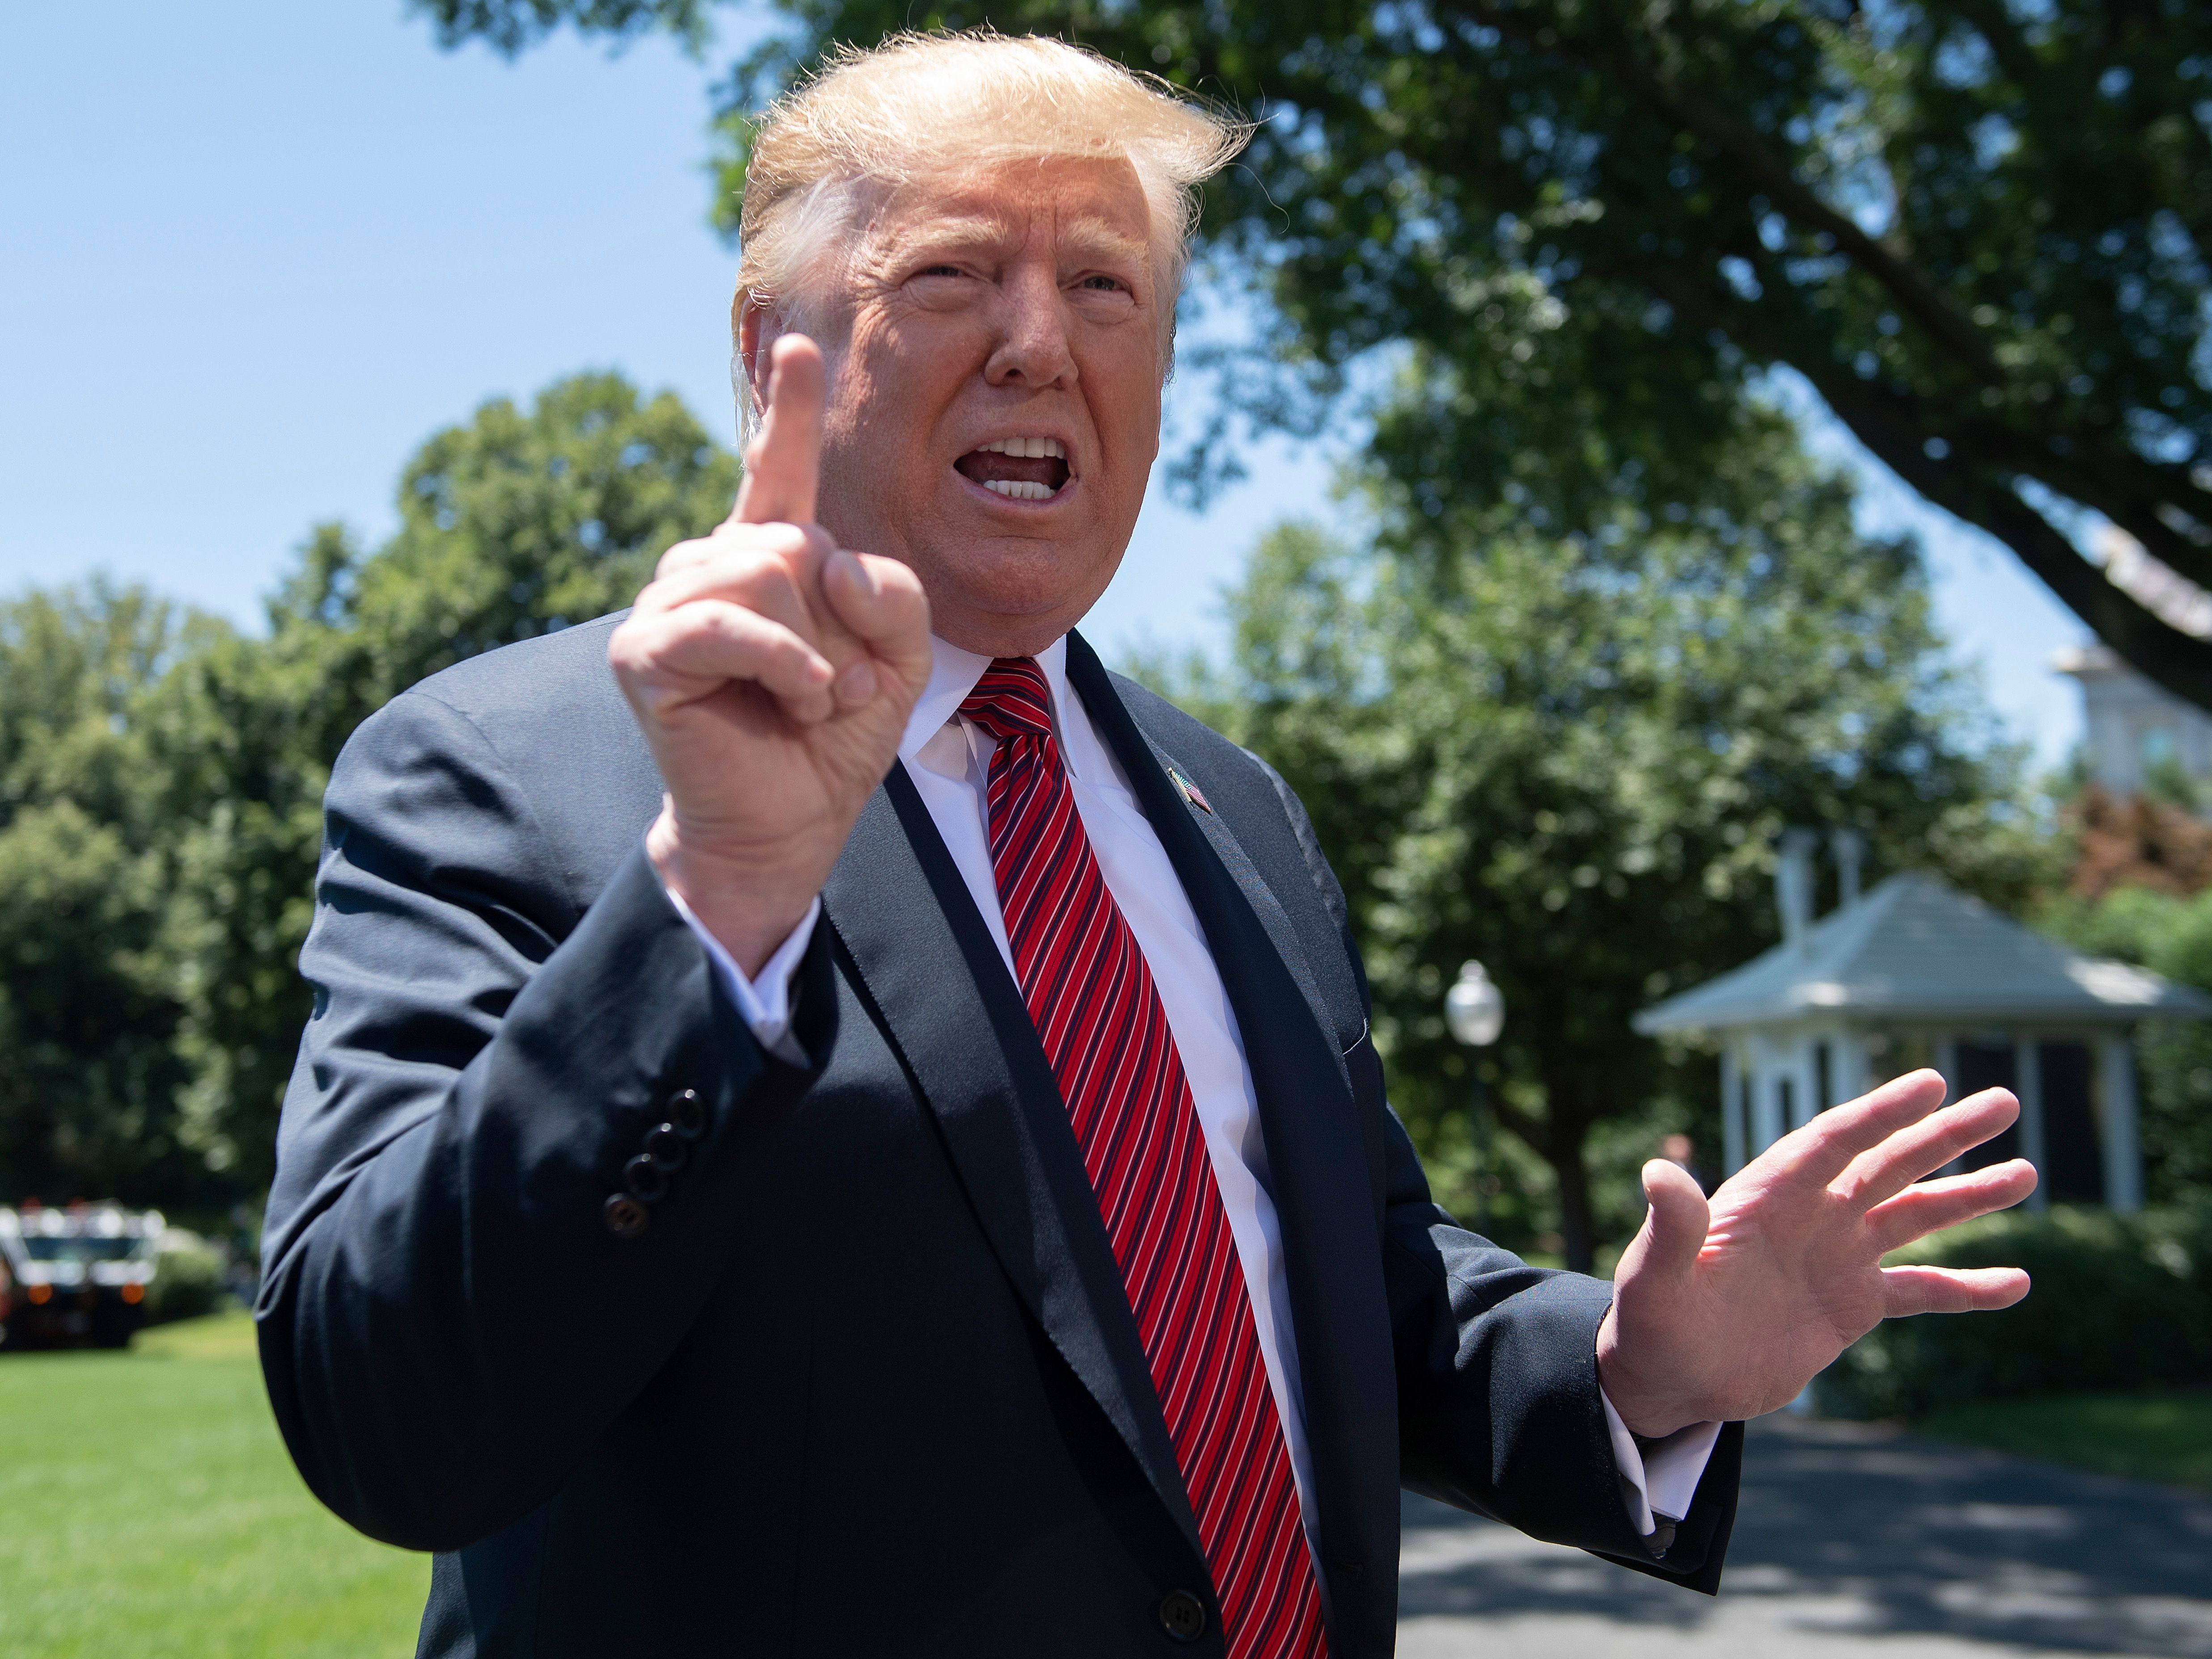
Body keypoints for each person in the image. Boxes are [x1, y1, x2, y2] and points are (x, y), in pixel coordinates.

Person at [255, 33, 2035, 1659]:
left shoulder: (1231, 806)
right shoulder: (505, 768)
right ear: (762, 353)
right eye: (951, 273)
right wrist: (714, 903)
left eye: (1105, 285)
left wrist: (1626, 1363)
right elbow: (384, 1420)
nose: (1041, 338)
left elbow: (1355, 1280)